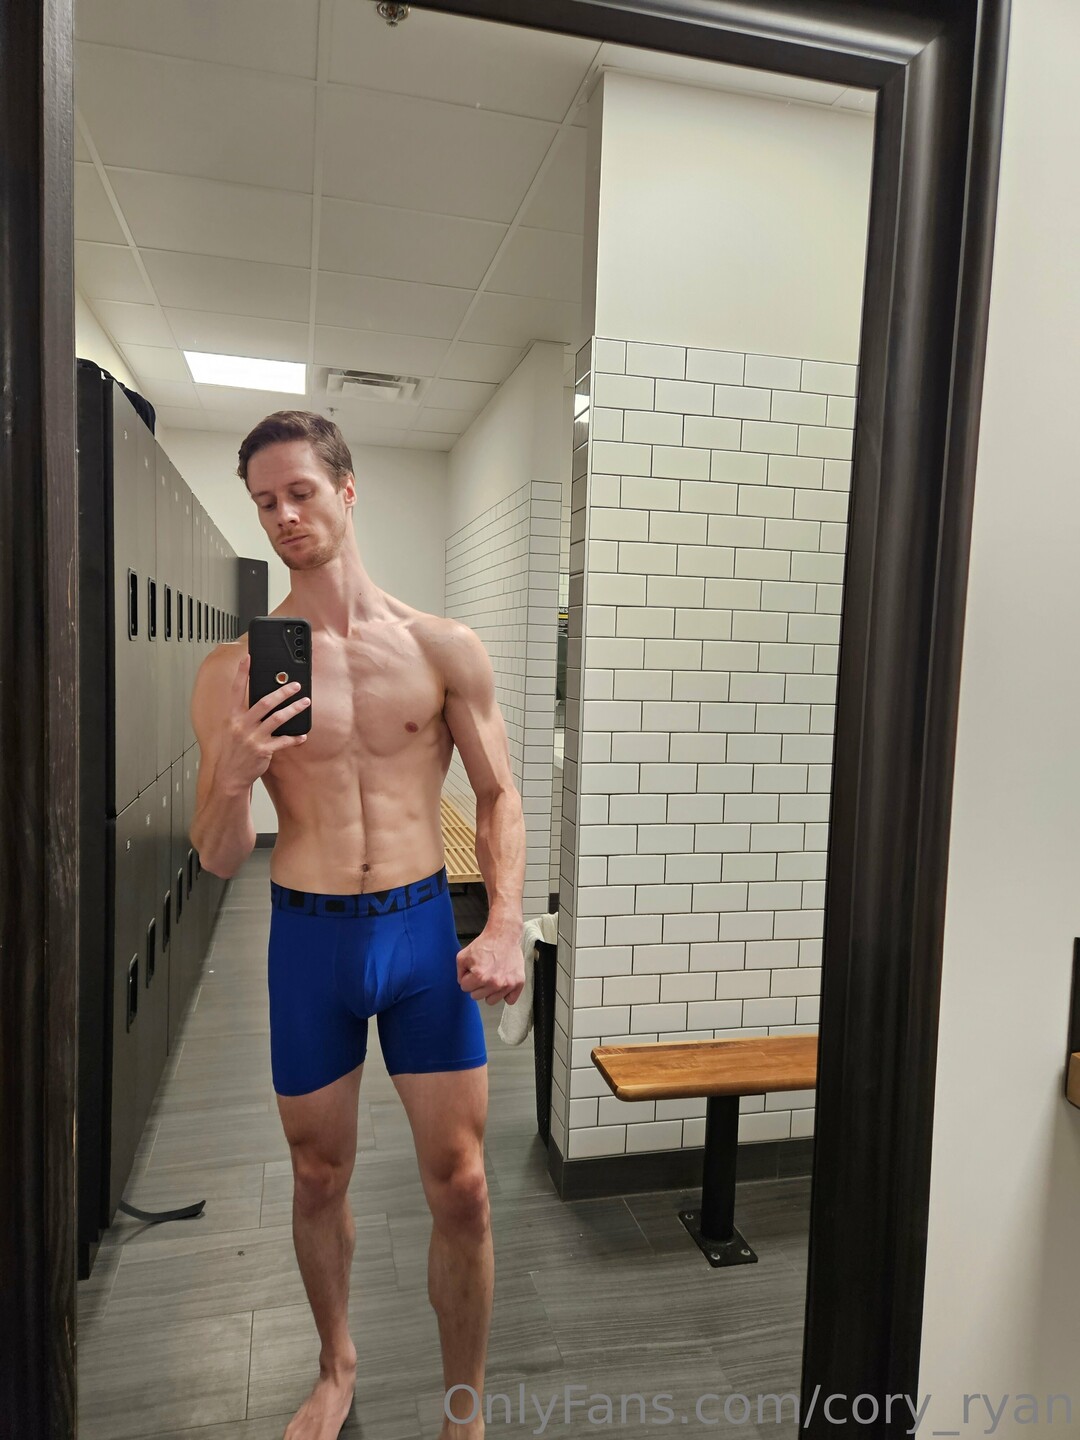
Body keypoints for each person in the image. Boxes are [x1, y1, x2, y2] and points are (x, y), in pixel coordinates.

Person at [189, 410, 527, 1440]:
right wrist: (232, 776)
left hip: (421, 932)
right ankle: (336, 1366)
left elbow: (498, 795)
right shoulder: (234, 673)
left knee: (462, 1187)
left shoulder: (441, 648)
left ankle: (463, 1408)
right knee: (316, 1176)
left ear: (345, 489)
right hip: (310, 939)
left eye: (299, 492)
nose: (283, 516)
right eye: (264, 503)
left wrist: (505, 919)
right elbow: (217, 855)